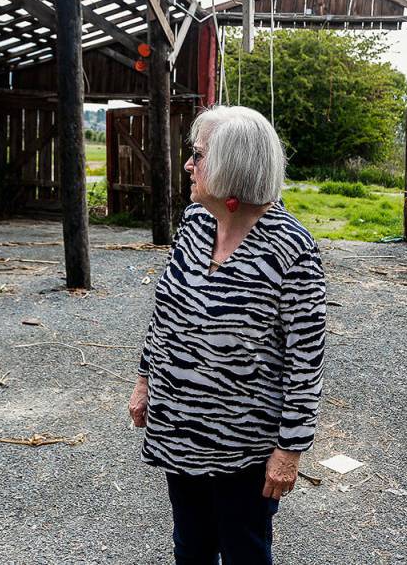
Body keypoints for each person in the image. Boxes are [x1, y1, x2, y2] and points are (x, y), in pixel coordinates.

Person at [128, 105, 326, 565]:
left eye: (198, 155)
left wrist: (290, 450)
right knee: (190, 548)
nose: (188, 166)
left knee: (244, 553)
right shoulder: (195, 223)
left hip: (243, 448)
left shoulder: (291, 249)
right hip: (180, 430)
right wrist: (145, 381)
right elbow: (166, 312)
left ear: (233, 166)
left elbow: (306, 360)